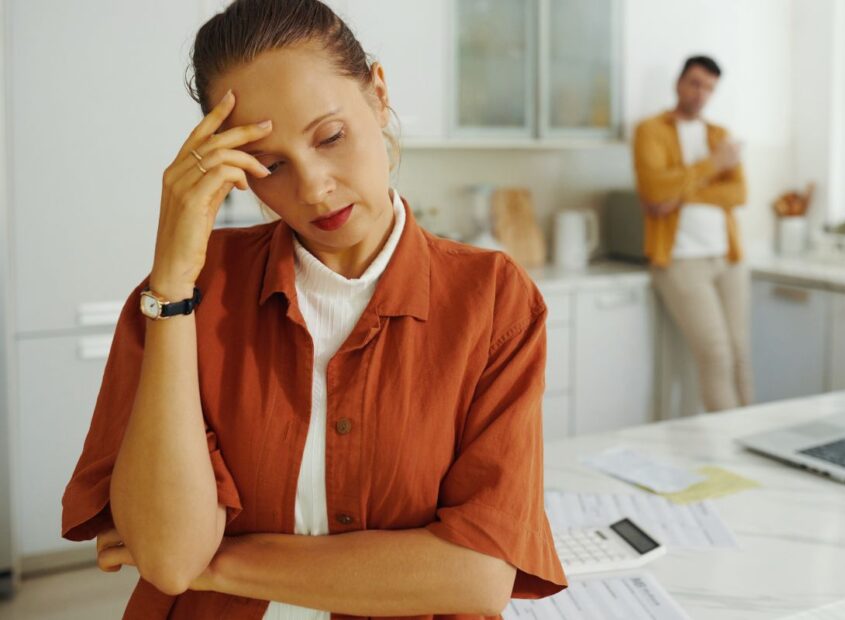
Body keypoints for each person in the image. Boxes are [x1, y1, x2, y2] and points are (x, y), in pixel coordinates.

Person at [60, 1, 567, 618]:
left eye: (330, 136)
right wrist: (170, 282)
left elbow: (478, 576)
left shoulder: (493, 299)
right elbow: (168, 561)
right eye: (269, 166)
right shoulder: (188, 292)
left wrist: (213, 563)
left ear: (378, 95)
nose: (312, 187)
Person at [633, 55, 754, 412]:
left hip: (727, 257)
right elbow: (654, 190)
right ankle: (730, 441)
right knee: (715, 353)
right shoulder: (651, 131)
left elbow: (739, 194)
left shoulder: (719, 135)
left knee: (739, 351)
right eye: (695, 83)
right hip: (681, 260)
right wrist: (713, 165)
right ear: (679, 83)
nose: (701, 93)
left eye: (710, 88)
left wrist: (678, 195)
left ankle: (752, 437)